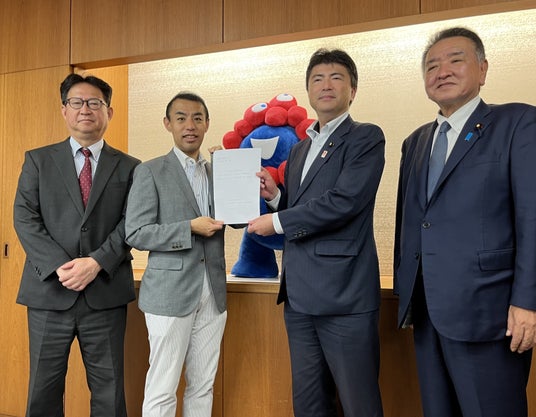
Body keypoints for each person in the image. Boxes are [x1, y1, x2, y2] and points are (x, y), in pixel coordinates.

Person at [394, 26, 536, 417]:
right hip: (428, 313)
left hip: (490, 312)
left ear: (482, 69)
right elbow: (411, 223)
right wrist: (406, 296)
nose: (442, 72)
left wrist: (528, 301)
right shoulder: (415, 142)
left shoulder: (518, 123)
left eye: (455, 60)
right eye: (431, 66)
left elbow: (532, 216)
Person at [248, 48, 385, 417]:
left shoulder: (365, 137)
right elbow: (301, 207)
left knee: (359, 404)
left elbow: (344, 202)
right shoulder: (300, 149)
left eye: (336, 77)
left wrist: (277, 221)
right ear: (308, 90)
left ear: (352, 90)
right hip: (298, 297)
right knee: (309, 404)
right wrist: (275, 197)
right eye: (317, 79)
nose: (326, 85)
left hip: (345, 297)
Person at [13, 73, 141, 417]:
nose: (86, 109)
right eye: (77, 102)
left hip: (105, 293)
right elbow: (25, 217)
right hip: (49, 293)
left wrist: (96, 262)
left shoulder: (131, 167)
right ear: (64, 110)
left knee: (110, 391)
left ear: (108, 112)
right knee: (43, 389)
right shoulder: (38, 160)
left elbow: (132, 222)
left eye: (95, 103)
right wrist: (61, 266)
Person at [125, 91, 227, 417]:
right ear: (168, 124)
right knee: (163, 385)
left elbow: (238, 218)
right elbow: (136, 232)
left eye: (197, 118)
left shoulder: (217, 171)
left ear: (207, 123)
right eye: (181, 118)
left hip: (213, 292)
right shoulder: (150, 171)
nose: (190, 125)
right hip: (169, 294)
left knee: (203, 385)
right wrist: (188, 228)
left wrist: (234, 171)